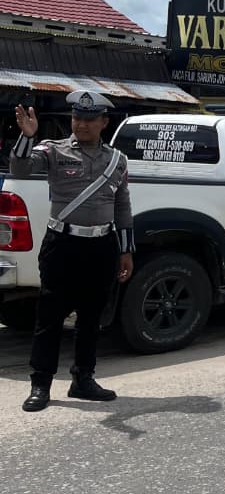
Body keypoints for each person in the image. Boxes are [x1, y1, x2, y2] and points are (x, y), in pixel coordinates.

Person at [10, 91, 134, 412]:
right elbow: (20, 169)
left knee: (91, 317)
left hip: (102, 246)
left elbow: (122, 205)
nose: (81, 124)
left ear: (104, 122)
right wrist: (27, 137)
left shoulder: (117, 160)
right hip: (62, 245)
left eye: (89, 119)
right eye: (77, 118)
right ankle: (41, 383)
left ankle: (83, 379)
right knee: (50, 317)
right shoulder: (52, 150)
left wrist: (126, 250)